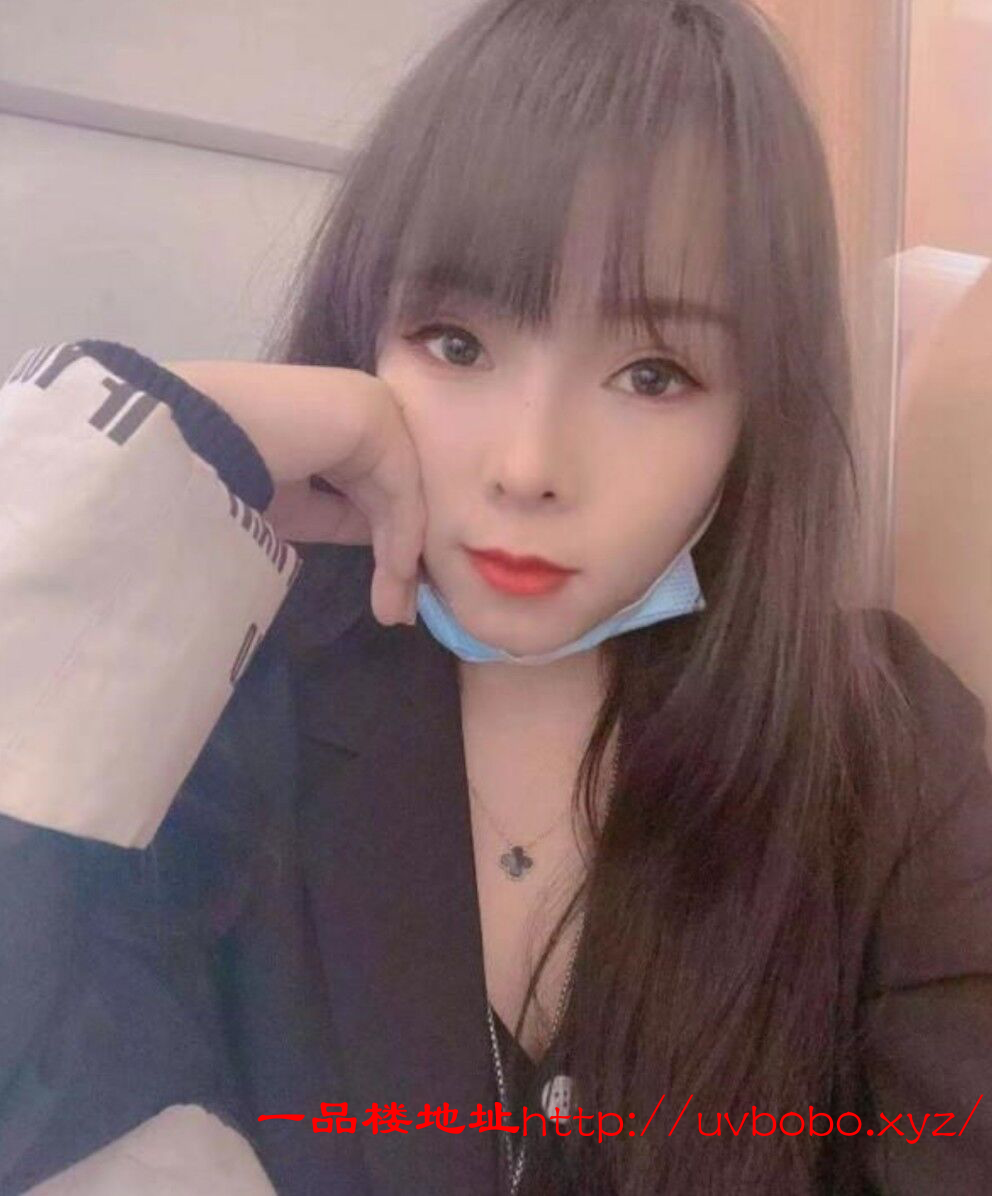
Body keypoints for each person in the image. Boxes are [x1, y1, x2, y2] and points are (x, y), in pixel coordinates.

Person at [1, 1, 990, 1194]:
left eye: (651, 373)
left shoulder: (883, 751)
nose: (528, 465)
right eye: (456, 344)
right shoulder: (227, 691)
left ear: (754, 414)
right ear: (364, 333)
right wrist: (166, 445)